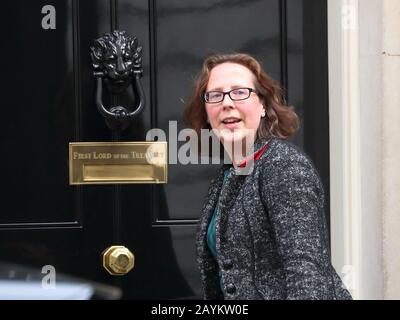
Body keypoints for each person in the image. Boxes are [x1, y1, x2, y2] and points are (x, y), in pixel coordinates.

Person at [183, 53, 353, 300]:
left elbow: (306, 270)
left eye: (240, 92)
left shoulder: (284, 165)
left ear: (262, 105)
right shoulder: (229, 173)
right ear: (207, 111)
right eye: (216, 95)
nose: (227, 103)